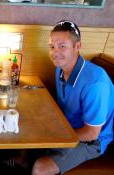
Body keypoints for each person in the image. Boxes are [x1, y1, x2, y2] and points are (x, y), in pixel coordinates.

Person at [32, 20, 114, 175]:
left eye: (62, 46)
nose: (54, 53)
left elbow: (91, 133)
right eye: (52, 47)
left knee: (40, 168)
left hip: (91, 141)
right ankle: (23, 161)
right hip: (67, 126)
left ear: (78, 46)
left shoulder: (95, 82)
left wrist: (54, 136)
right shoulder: (60, 69)